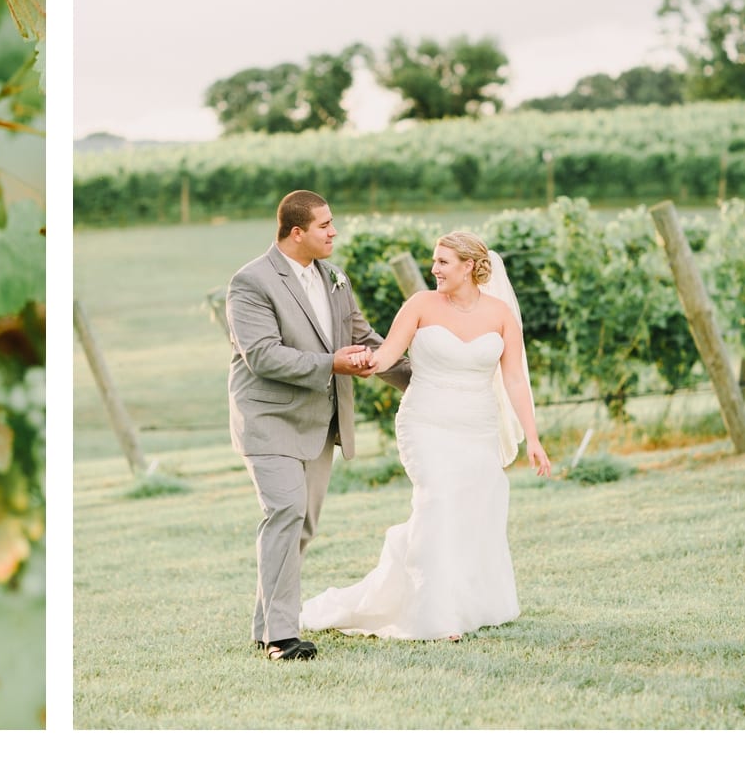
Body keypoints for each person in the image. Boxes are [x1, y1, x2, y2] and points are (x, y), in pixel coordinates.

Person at [299, 231, 552, 643]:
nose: (433, 269)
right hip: (426, 422)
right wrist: (364, 361)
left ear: (469, 266)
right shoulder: (421, 305)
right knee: (437, 501)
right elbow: (387, 353)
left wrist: (534, 438)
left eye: (442, 262)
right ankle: (436, 614)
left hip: (477, 426)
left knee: (474, 508)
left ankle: (472, 602)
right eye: (433, 261)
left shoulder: (501, 315)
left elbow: (514, 381)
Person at [225, 189, 412, 661]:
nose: (334, 232)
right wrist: (332, 364)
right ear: (296, 232)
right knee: (285, 511)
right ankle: (281, 639)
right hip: (268, 418)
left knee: (301, 525)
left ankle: (265, 625)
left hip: (318, 421)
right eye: (325, 225)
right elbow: (263, 355)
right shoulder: (251, 282)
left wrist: (422, 380)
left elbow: (362, 337)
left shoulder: (334, 278)